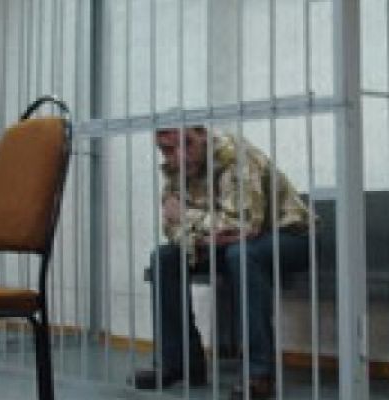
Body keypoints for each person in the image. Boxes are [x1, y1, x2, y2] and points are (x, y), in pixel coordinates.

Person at [134, 125, 313, 400]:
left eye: (187, 144)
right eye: (168, 149)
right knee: (165, 258)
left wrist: (188, 218)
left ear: (204, 135)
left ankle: (258, 374)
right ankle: (180, 364)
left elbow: (242, 225)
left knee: (241, 253)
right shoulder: (175, 170)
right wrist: (205, 233)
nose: (179, 156)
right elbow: (172, 229)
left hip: (291, 237)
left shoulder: (237, 158)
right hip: (227, 243)